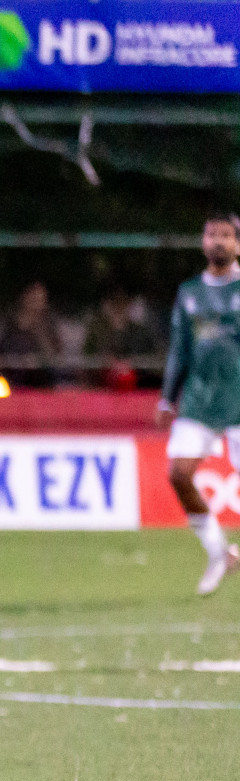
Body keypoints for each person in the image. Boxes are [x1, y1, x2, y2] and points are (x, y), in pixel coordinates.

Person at [157, 213, 240, 595]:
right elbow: (180, 349)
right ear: (202, 241)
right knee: (178, 474)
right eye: (211, 235)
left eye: (226, 235)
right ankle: (218, 553)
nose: (218, 242)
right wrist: (166, 397)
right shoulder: (189, 292)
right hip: (200, 397)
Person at [0, 281, 62, 388]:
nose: (37, 303)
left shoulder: (49, 325)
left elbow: (55, 355)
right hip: (13, 382)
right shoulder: (11, 324)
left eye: (41, 299)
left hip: (43, 383)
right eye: (34, 298)